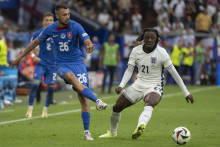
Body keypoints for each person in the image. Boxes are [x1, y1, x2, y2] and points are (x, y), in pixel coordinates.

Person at [10, 3, 108, 140]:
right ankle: (98, 101)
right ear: (57, 16)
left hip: (78, 63)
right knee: (70, 77)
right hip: (62, 65)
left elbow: (86, 40)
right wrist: (19, 57)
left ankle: (87, 132)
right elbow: (34, 43)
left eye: (68, 14)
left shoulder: (76, 26)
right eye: (64, 15)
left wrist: (89, 45)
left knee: (82, 96)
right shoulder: (51, 29)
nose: (67, 17)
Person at [99, 28, 194, 139]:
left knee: (149, 103)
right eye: (147, 37)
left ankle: (140, 126)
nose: (149, 40)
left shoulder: (162, 53)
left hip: (155, 85)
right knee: (116, 107)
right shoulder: (136, 51)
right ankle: (112, 133)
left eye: (152, 38)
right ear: (143, 38)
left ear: (156, 40)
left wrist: (186, 92)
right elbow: (129, 70)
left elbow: (175, 74)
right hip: (138, 84)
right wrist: (121, 85)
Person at [24, 12, 57, 119]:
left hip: (52, 65)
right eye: (46, 20)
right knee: (35, 85)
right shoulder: (37, 33)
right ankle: (30, 109)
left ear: (54, 22)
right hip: (41, 64)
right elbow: (30, 47)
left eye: (51, 20)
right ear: (43, 22)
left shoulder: (57, 34)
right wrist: (33, 56)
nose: (48, 22)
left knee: (51, 88)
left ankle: (45, 109)